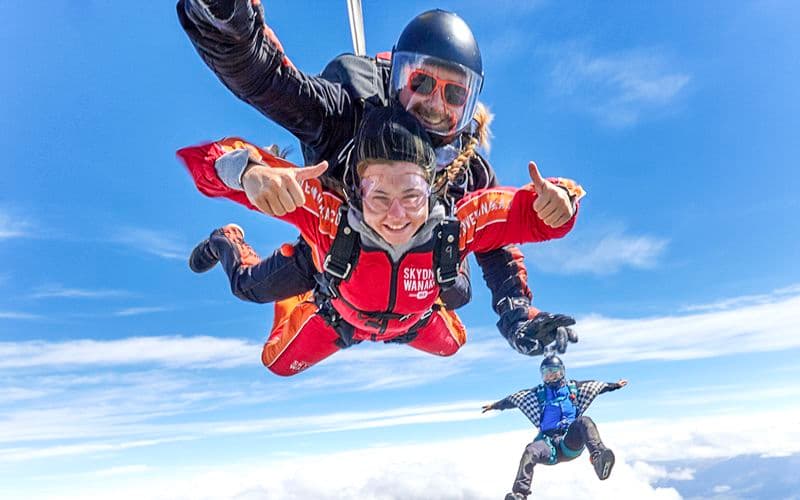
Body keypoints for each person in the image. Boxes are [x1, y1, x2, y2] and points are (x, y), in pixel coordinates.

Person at [177, 1, 579, 355]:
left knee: (457, 289)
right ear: (396, 79)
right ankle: (225, 242)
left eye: (455, 94)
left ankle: (410, 309)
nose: (436, 105)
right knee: (249, 286)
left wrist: (516, 312)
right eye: (421, 82)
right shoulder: (343, 118)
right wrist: (227, 19)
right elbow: (267, 81)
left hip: (418, 280)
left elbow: (497, 234)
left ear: (471, 103)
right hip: (335, 259)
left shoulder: (467, 169)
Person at [177, 106, 584, 376]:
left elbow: (529, 216)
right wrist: (247, 170)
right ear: (356, 191)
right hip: (337, 312)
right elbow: (202, 162)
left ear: (432, 190)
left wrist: (561, 201)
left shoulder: (457, 224)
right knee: (253, 302)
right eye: (379, 197)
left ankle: (426, 292)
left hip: (413, 320)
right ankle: (225, 240)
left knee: (455, 333)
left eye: (411, 197)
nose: (396, 216)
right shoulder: (325, 214)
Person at [482, 355, 628, 500]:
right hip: (547, 445)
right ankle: (520, 494)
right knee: (530, 450)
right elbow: (513, 400)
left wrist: (615, 385)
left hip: (569, 441)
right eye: (546, 373)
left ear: (562, 372)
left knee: (584, 421)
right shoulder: (538, 393)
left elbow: (597, 387)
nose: (550, 376)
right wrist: (495, 406)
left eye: (554, 372)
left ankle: (598, 458)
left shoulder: (573, 388)